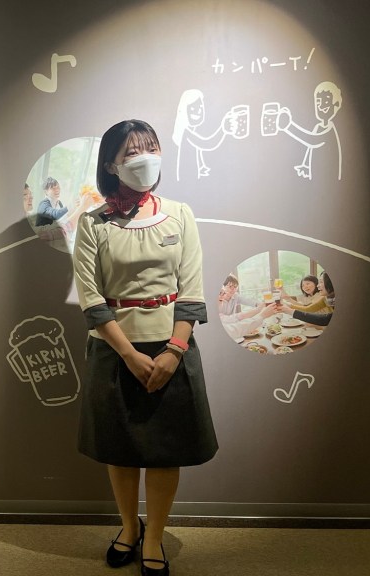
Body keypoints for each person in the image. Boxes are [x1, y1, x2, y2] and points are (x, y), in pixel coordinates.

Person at [73, 119, 217, 576]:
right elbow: (92, 299)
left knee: (164, 450)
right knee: (120, 449)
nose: (145, 158)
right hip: (115, 349)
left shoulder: (180, 214)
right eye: (132, 151)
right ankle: (128, 527)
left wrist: (173, 351)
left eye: (151, 147)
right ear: (111, 165)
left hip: (171, 346)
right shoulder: (92, 223)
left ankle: (153, 535)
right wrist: (130, 355)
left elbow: (191, 292)